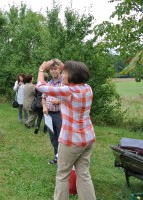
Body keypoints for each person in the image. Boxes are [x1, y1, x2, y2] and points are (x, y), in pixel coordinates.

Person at [37, 60, 96, 200]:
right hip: (87, 139)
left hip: (71, 141)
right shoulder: (87, 88)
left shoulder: (68, 91)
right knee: (84, 175)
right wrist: (64, 65)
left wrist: (41, 70)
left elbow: (41, 87)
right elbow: (71, 78)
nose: (62, 74)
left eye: (64, 72)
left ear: (72, 75)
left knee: (62, 174)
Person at [42, 60, 64, 165]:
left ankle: (63, 159)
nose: (53, 71)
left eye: (55, 68)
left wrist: (60, 101)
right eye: (51, 69)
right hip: (48, 114)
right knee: (53, 137)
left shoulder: (64, 82)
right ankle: (57, 157)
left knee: (61, 137)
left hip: (60, 115)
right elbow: (43, 98)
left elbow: (70, 97)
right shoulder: (48, 83)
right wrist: (44, 106)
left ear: (60, 69)